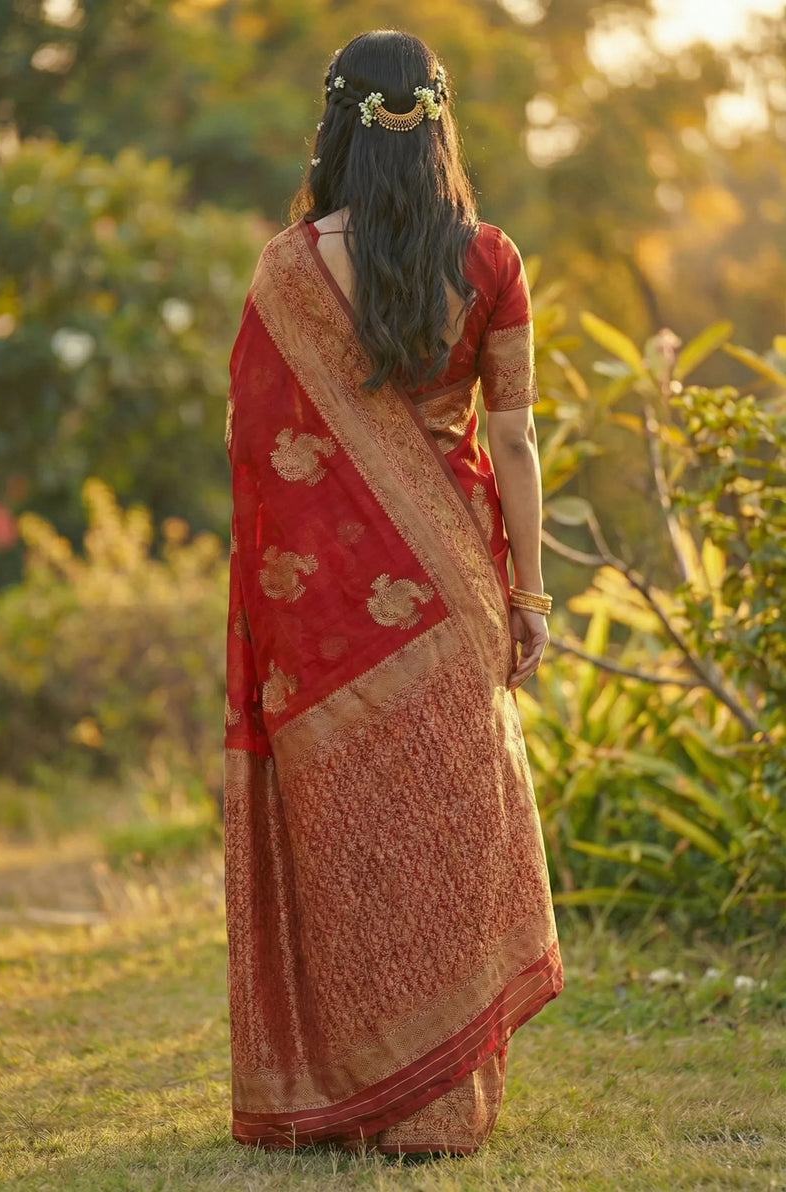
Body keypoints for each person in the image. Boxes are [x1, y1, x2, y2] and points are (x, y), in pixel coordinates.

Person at [222, 29, 564, 1157]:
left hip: (321, 608)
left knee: (352, 836)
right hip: (460, 583)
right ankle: (437, 1108)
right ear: (438, 119)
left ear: (336, 120)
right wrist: (530, 597)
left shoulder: (285, 269)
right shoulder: (490, 258)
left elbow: (258, 449)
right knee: (451, 827)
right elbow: (510, 440)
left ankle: (360, 1093)